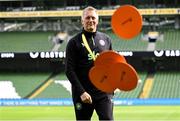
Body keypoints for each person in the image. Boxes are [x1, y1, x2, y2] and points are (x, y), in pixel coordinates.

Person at [65, 6, 114, 121]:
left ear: (97, 20)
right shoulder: (73, 43)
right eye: (87, 18)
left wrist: (112, 85)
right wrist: (81, 92)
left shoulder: (106, 39)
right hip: (83, 94)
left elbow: (111, 65)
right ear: (82, 21)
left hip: (103, 92)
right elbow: (69, 70)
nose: (90, 20)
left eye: (93, 18)